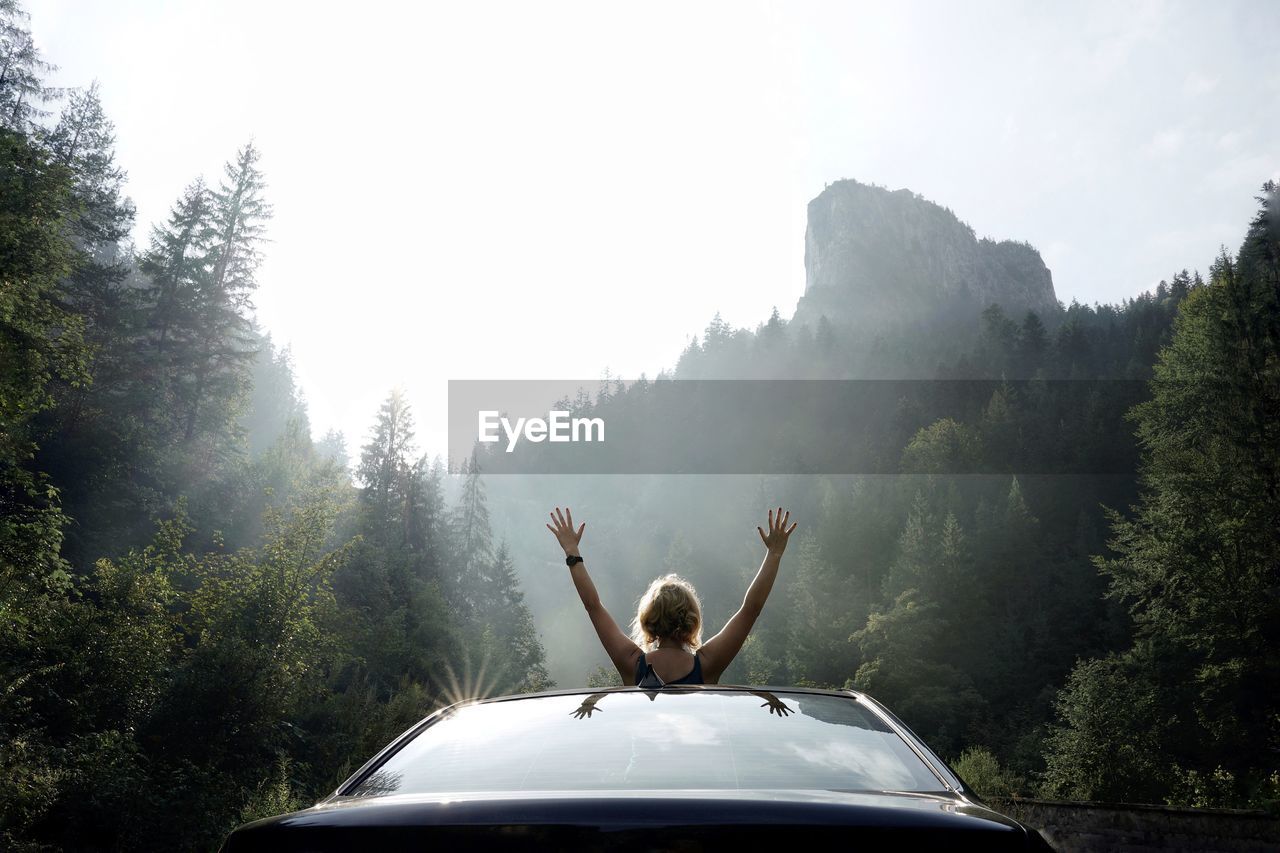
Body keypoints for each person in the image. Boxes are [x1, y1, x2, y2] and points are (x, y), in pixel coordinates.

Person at [546, 505, 798, 686]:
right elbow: (750, 609)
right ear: (692, 620)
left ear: (647, 620)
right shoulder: (707, 665)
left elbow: (593, 606)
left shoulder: (632, 664)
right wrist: (774, 555)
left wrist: (572, 552)